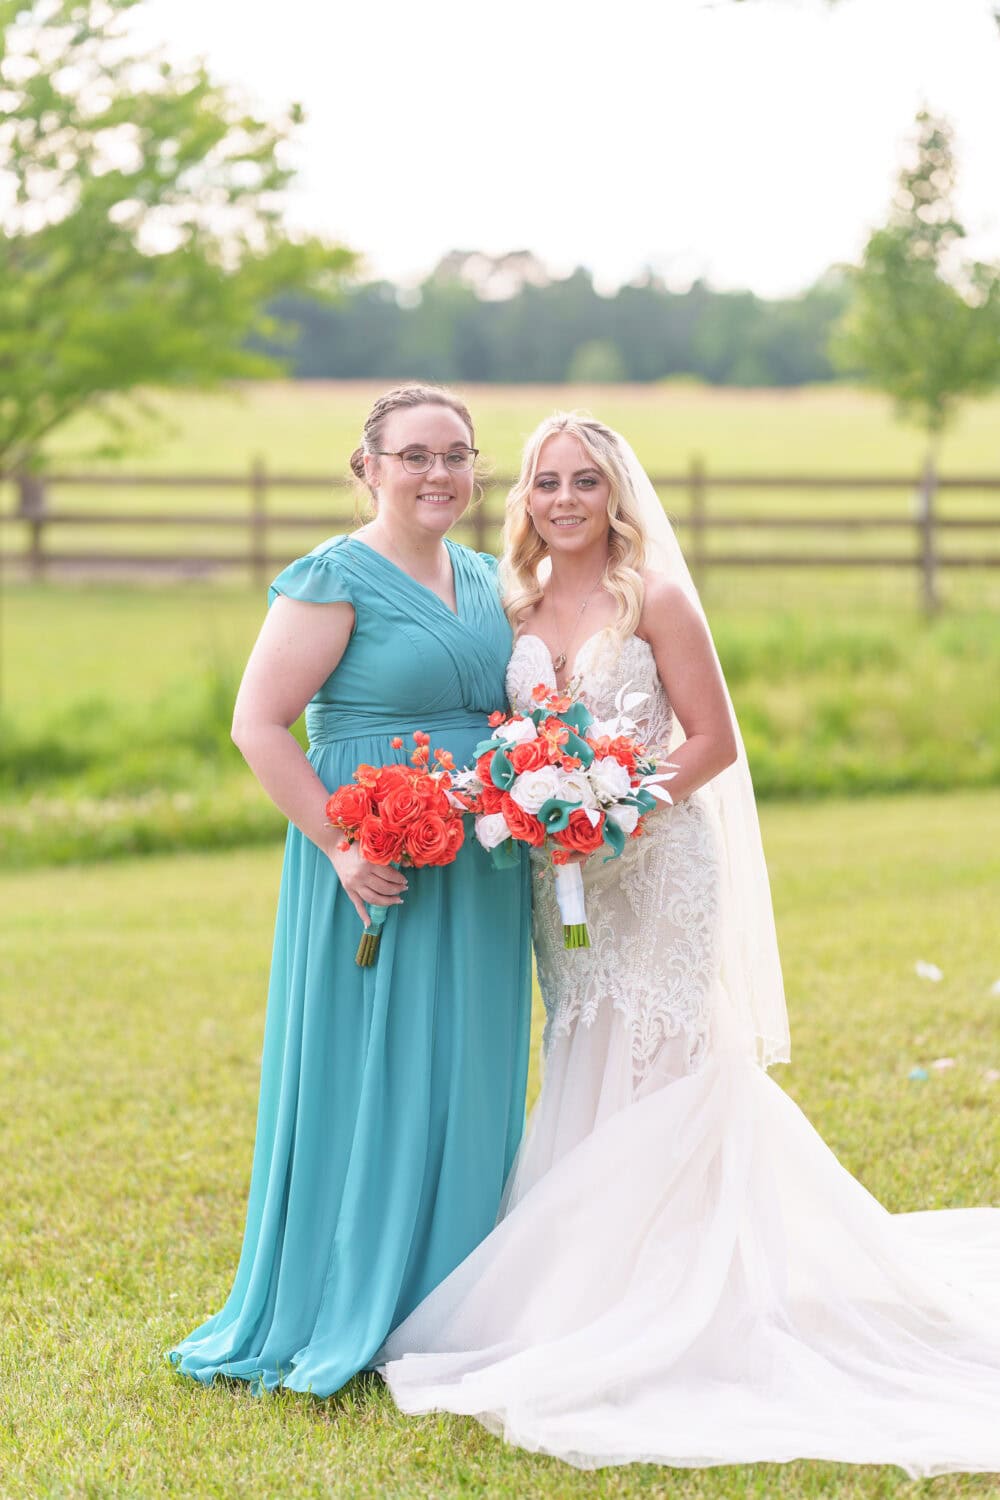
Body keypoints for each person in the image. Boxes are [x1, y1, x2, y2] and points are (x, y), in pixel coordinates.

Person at [379, 414, 1000, 1478]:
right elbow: (503, 732)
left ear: (613, 493)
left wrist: (615, 798)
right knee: (582, 1044)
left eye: (583, 481)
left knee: (664, 1052)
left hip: (655, 863)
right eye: (544, 482)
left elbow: (712, 738)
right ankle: (590, 1285)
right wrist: (536, 803)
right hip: (557, 875)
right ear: (523, 495)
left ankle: (680, 1296)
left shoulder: (652, 597)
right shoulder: (510, 605)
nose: (563, 498)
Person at [168, 385, 532, 1397]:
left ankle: (452, 1299)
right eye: (414, 455)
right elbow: (259, 724)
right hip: (371, 859)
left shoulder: (490, 575)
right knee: (371, 1067)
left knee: (469, 1068)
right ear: (367, 468)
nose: (438, 474)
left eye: (456, 455)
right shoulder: (332, 578)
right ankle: (344, 1294)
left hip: (481, 860)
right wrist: (337, 846)